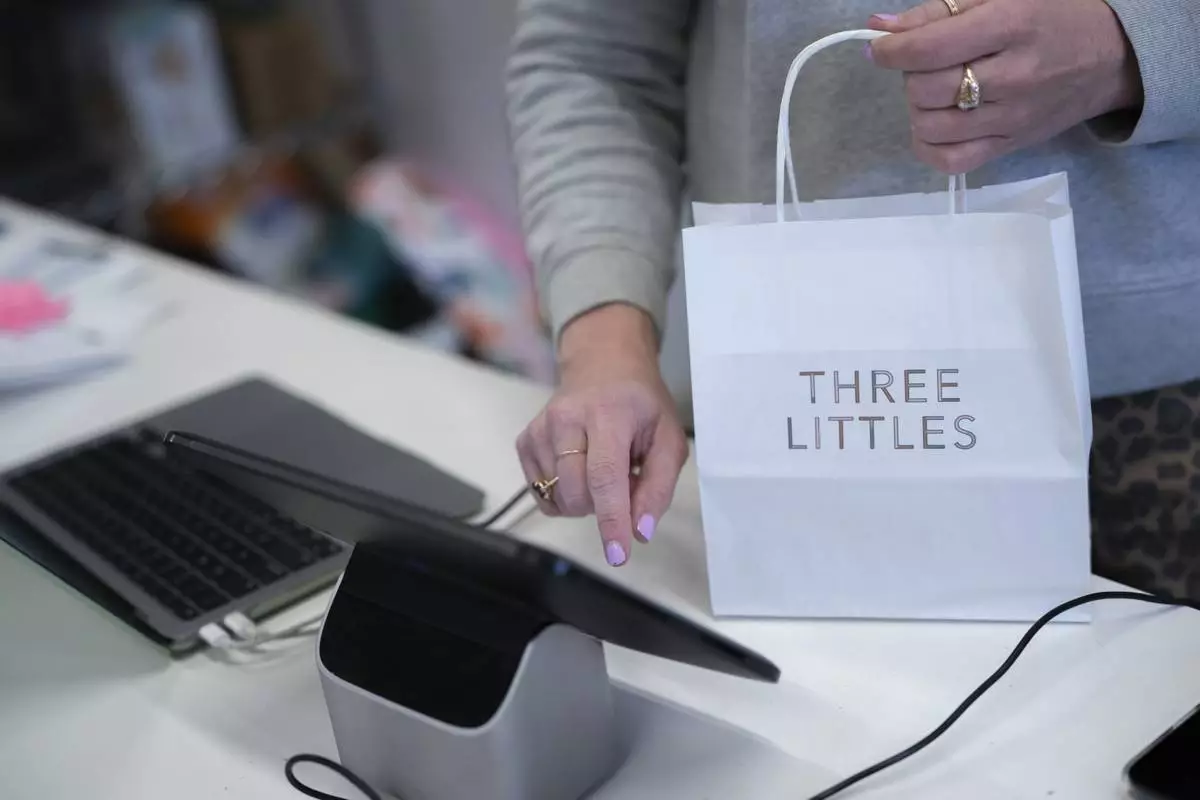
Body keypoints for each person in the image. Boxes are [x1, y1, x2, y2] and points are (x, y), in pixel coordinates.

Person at [505, 0, 1200, 597]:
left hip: (1161, 403)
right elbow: (593, 60)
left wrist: (1133, 47)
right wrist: (606, 345)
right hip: (786, 400)